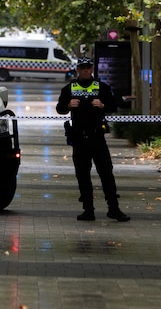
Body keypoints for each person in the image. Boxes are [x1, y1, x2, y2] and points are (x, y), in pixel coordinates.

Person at [56, 57, 130, 222]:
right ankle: (88, 210)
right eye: (82, 68)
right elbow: (59, 108)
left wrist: (102, 105)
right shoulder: (69, 88)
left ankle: (113, 208)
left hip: (97, 137)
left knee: (106, 173)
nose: (85, 70)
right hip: (79, 138)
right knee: (82, 174)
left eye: (88, 68)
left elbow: (113, 106)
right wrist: (68, 106)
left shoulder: (102, 87)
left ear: (92, 69)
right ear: (77, 69)